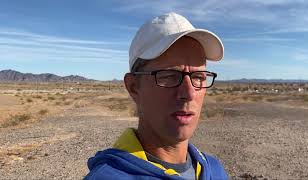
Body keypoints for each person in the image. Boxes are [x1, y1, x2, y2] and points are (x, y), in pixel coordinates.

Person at [85, 12, 228, 180]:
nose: (188, 93)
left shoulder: (214, 170)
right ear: (133, 87)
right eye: (168, 76)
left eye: (198, 77)